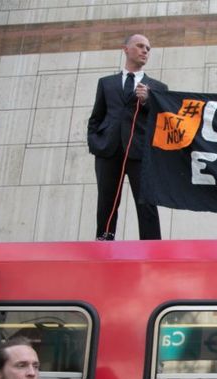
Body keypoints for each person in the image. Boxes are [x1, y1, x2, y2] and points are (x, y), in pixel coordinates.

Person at [87, 34, 167, 241]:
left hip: (141, 152)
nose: (145, 51)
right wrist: (96, 143)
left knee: (146, 202)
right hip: (108, 150)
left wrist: (148, 101)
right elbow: (96, 117)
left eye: (148, 48)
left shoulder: (158, 87)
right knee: (107, 200)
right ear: (126, 49)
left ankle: (151, 246)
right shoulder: (106, 83)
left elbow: (163, 120)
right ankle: (104, 241)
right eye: (140, 46)